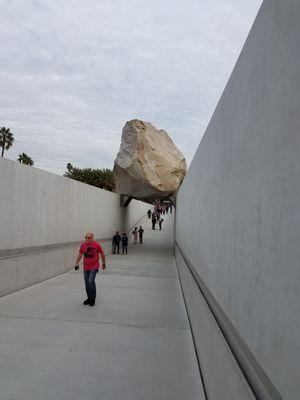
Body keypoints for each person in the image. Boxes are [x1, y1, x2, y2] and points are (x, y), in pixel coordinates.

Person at [74, 232, 106, 306]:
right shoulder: (83, 245)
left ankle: (93, 298)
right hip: (86, 267)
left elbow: (102, 253)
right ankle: (89, 298)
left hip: (94, 266)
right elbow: (80, 253)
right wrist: (76, 262)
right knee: (87, 284)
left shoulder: (97, 245)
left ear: (92, 238)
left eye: (88, 237)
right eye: (85, 237)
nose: (86, 239)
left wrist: (104, 263)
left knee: (91, 281)